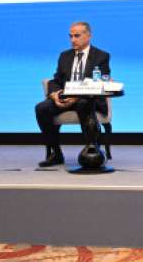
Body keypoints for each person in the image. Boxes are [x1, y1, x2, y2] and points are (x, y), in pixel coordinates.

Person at [34, 22, 110, 168]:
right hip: (65, 97)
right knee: (41, 108)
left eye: (77, 36)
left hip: (88, 98)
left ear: (88, 36)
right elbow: (56, 80)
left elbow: (100, 81)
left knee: (84, 104)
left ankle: (92, 152)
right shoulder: (65, 56)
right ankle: (56, 154)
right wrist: (54, 95)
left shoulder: (101, 56)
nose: (72, 40)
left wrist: (77, 96)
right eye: (70, 36)